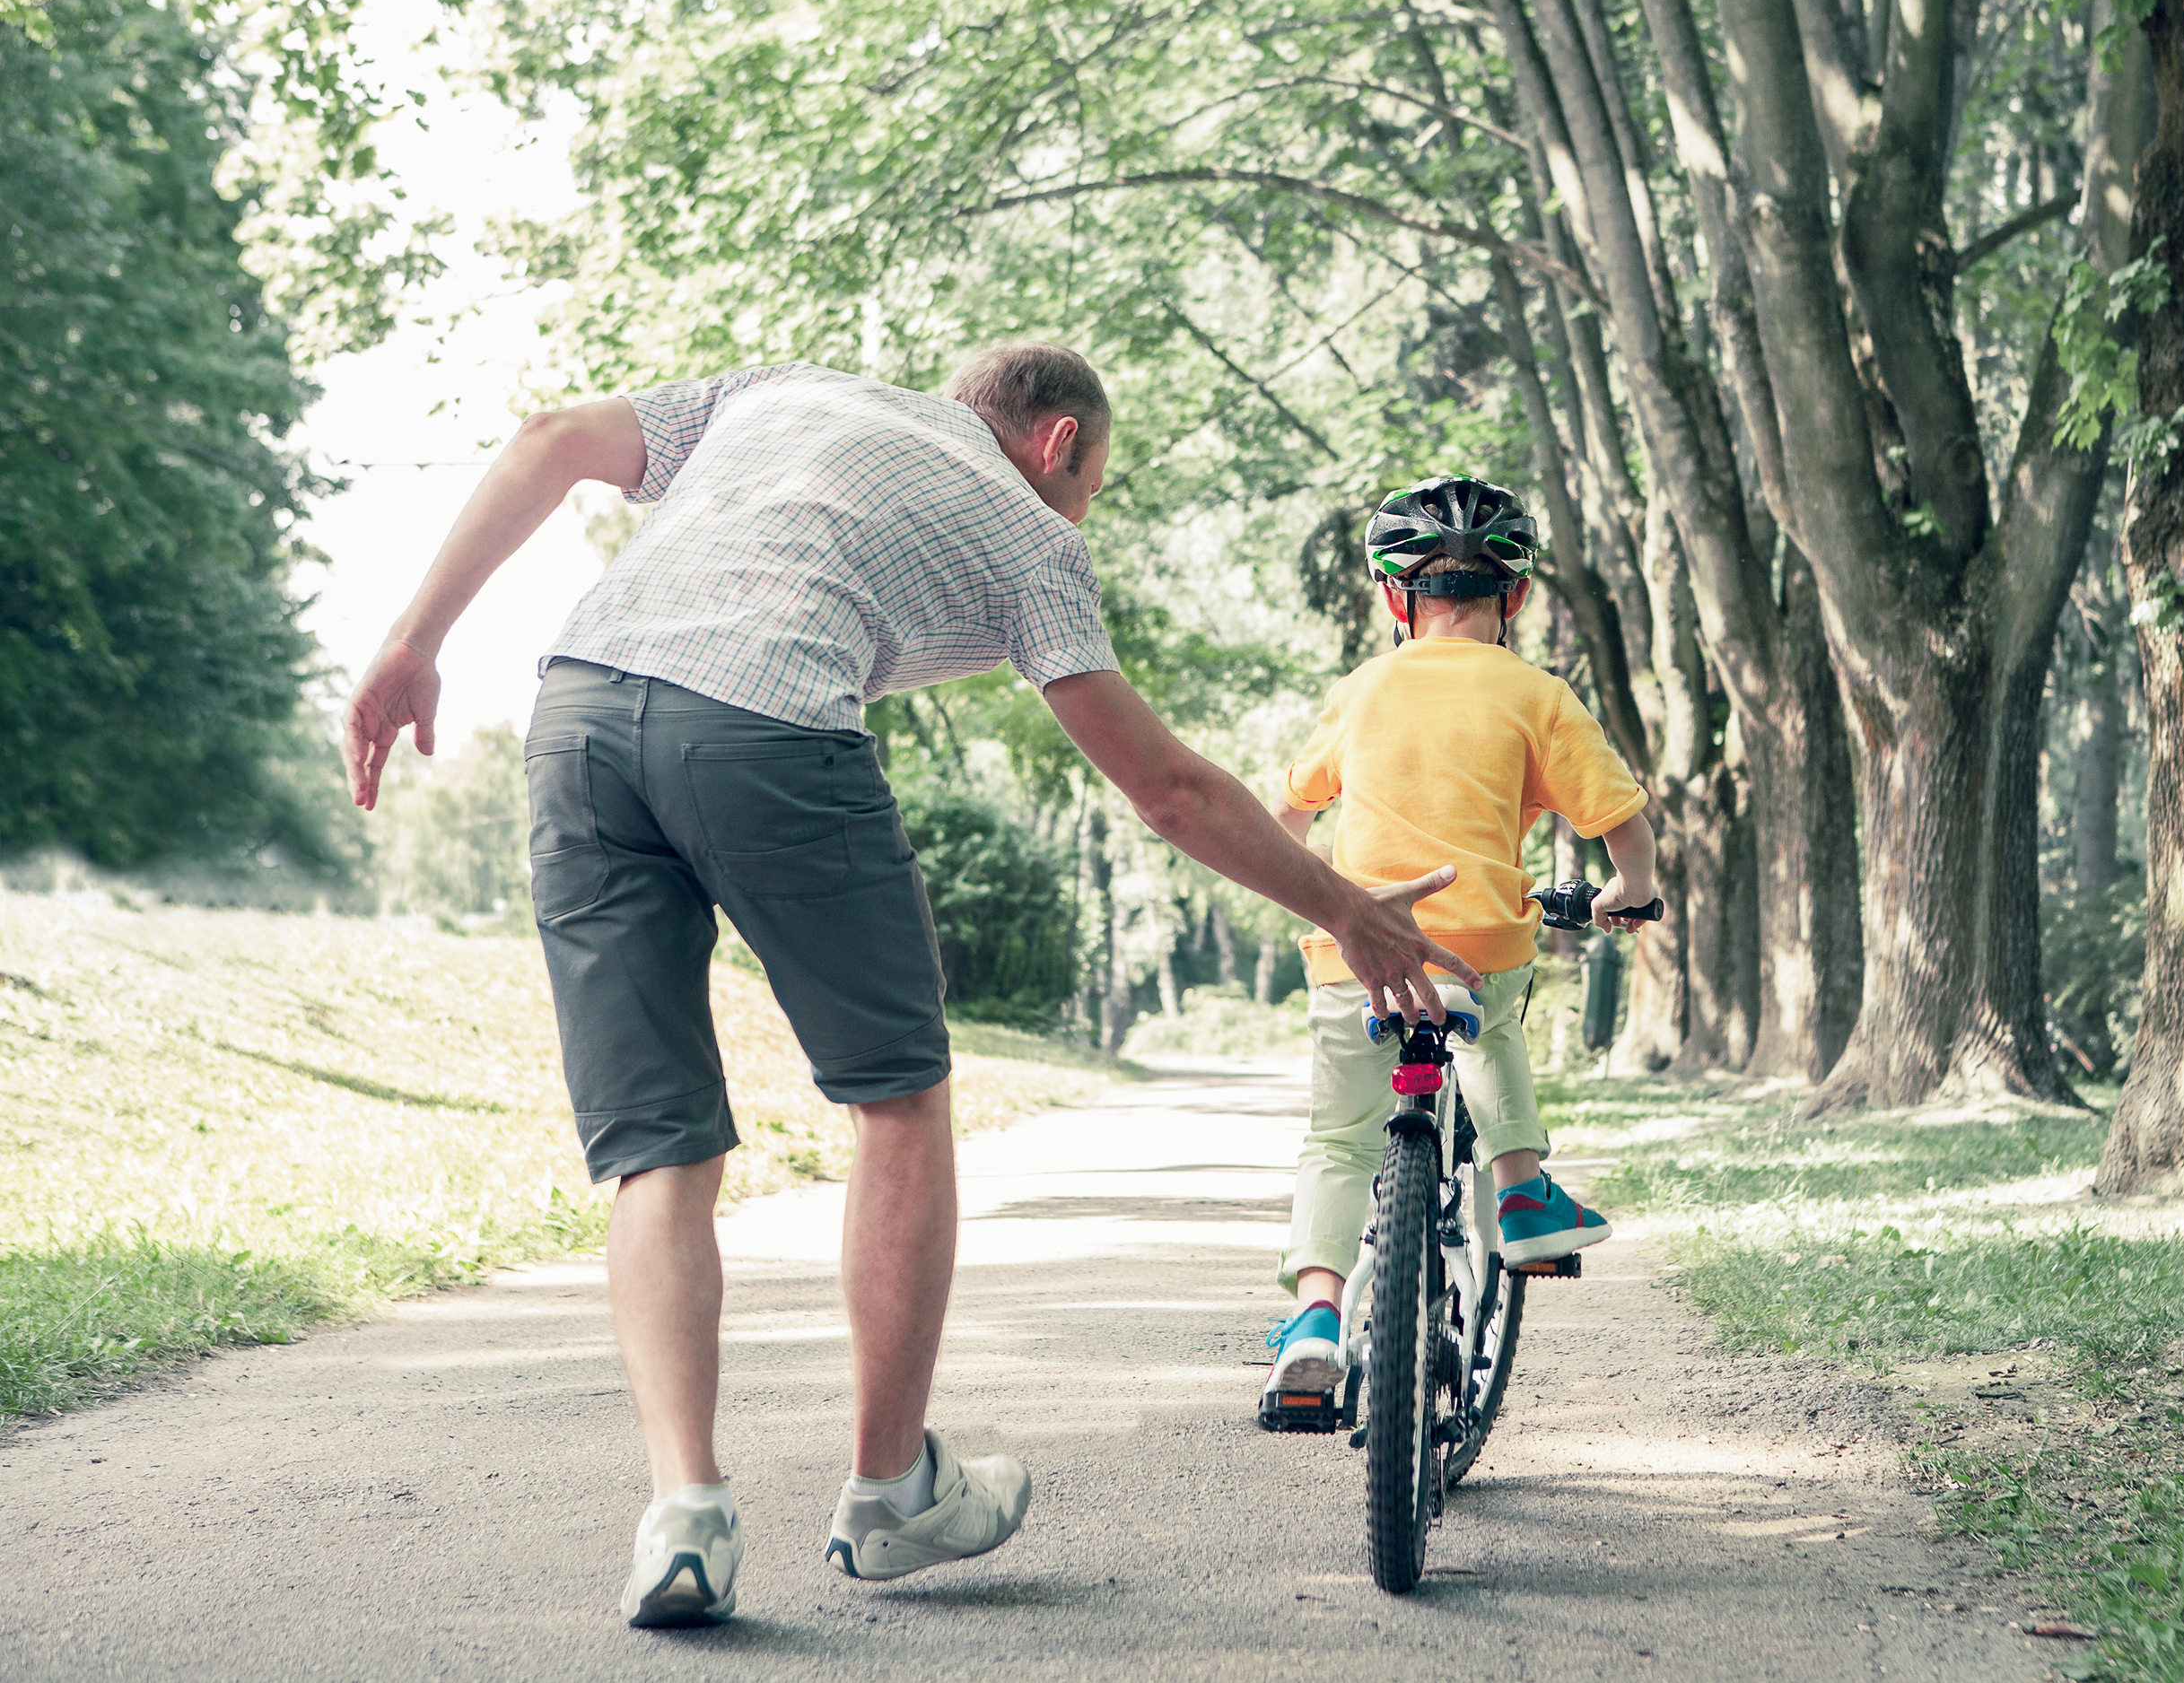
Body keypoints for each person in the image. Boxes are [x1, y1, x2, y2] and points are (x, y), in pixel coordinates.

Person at [339, 348, 1476, 1629]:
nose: (1083, 511)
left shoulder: (778, 391)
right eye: (1092, 483)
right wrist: (1348, 911)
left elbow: (546, 433)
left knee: (657, 1144)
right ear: (1056, 444)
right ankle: (888, 1490)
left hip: (580, 717)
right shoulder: (1031, 531)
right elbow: (1166, 788)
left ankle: (686, 1513)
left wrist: (410, 641)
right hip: (765, 727)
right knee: (897, 1095)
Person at [1257, 475, 1657, 1413]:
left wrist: (1312, 902)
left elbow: (1285, 813)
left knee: (1338, 1138)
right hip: (1478, 935)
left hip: (1355, 946)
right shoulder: (1537, 693)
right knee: (1493, 1029)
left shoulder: (1360, 690)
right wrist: (1626, 894)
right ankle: (1520, 1191)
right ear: (1514, 597)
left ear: (1395, 599)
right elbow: (1621, 821)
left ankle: (1315, 1319)